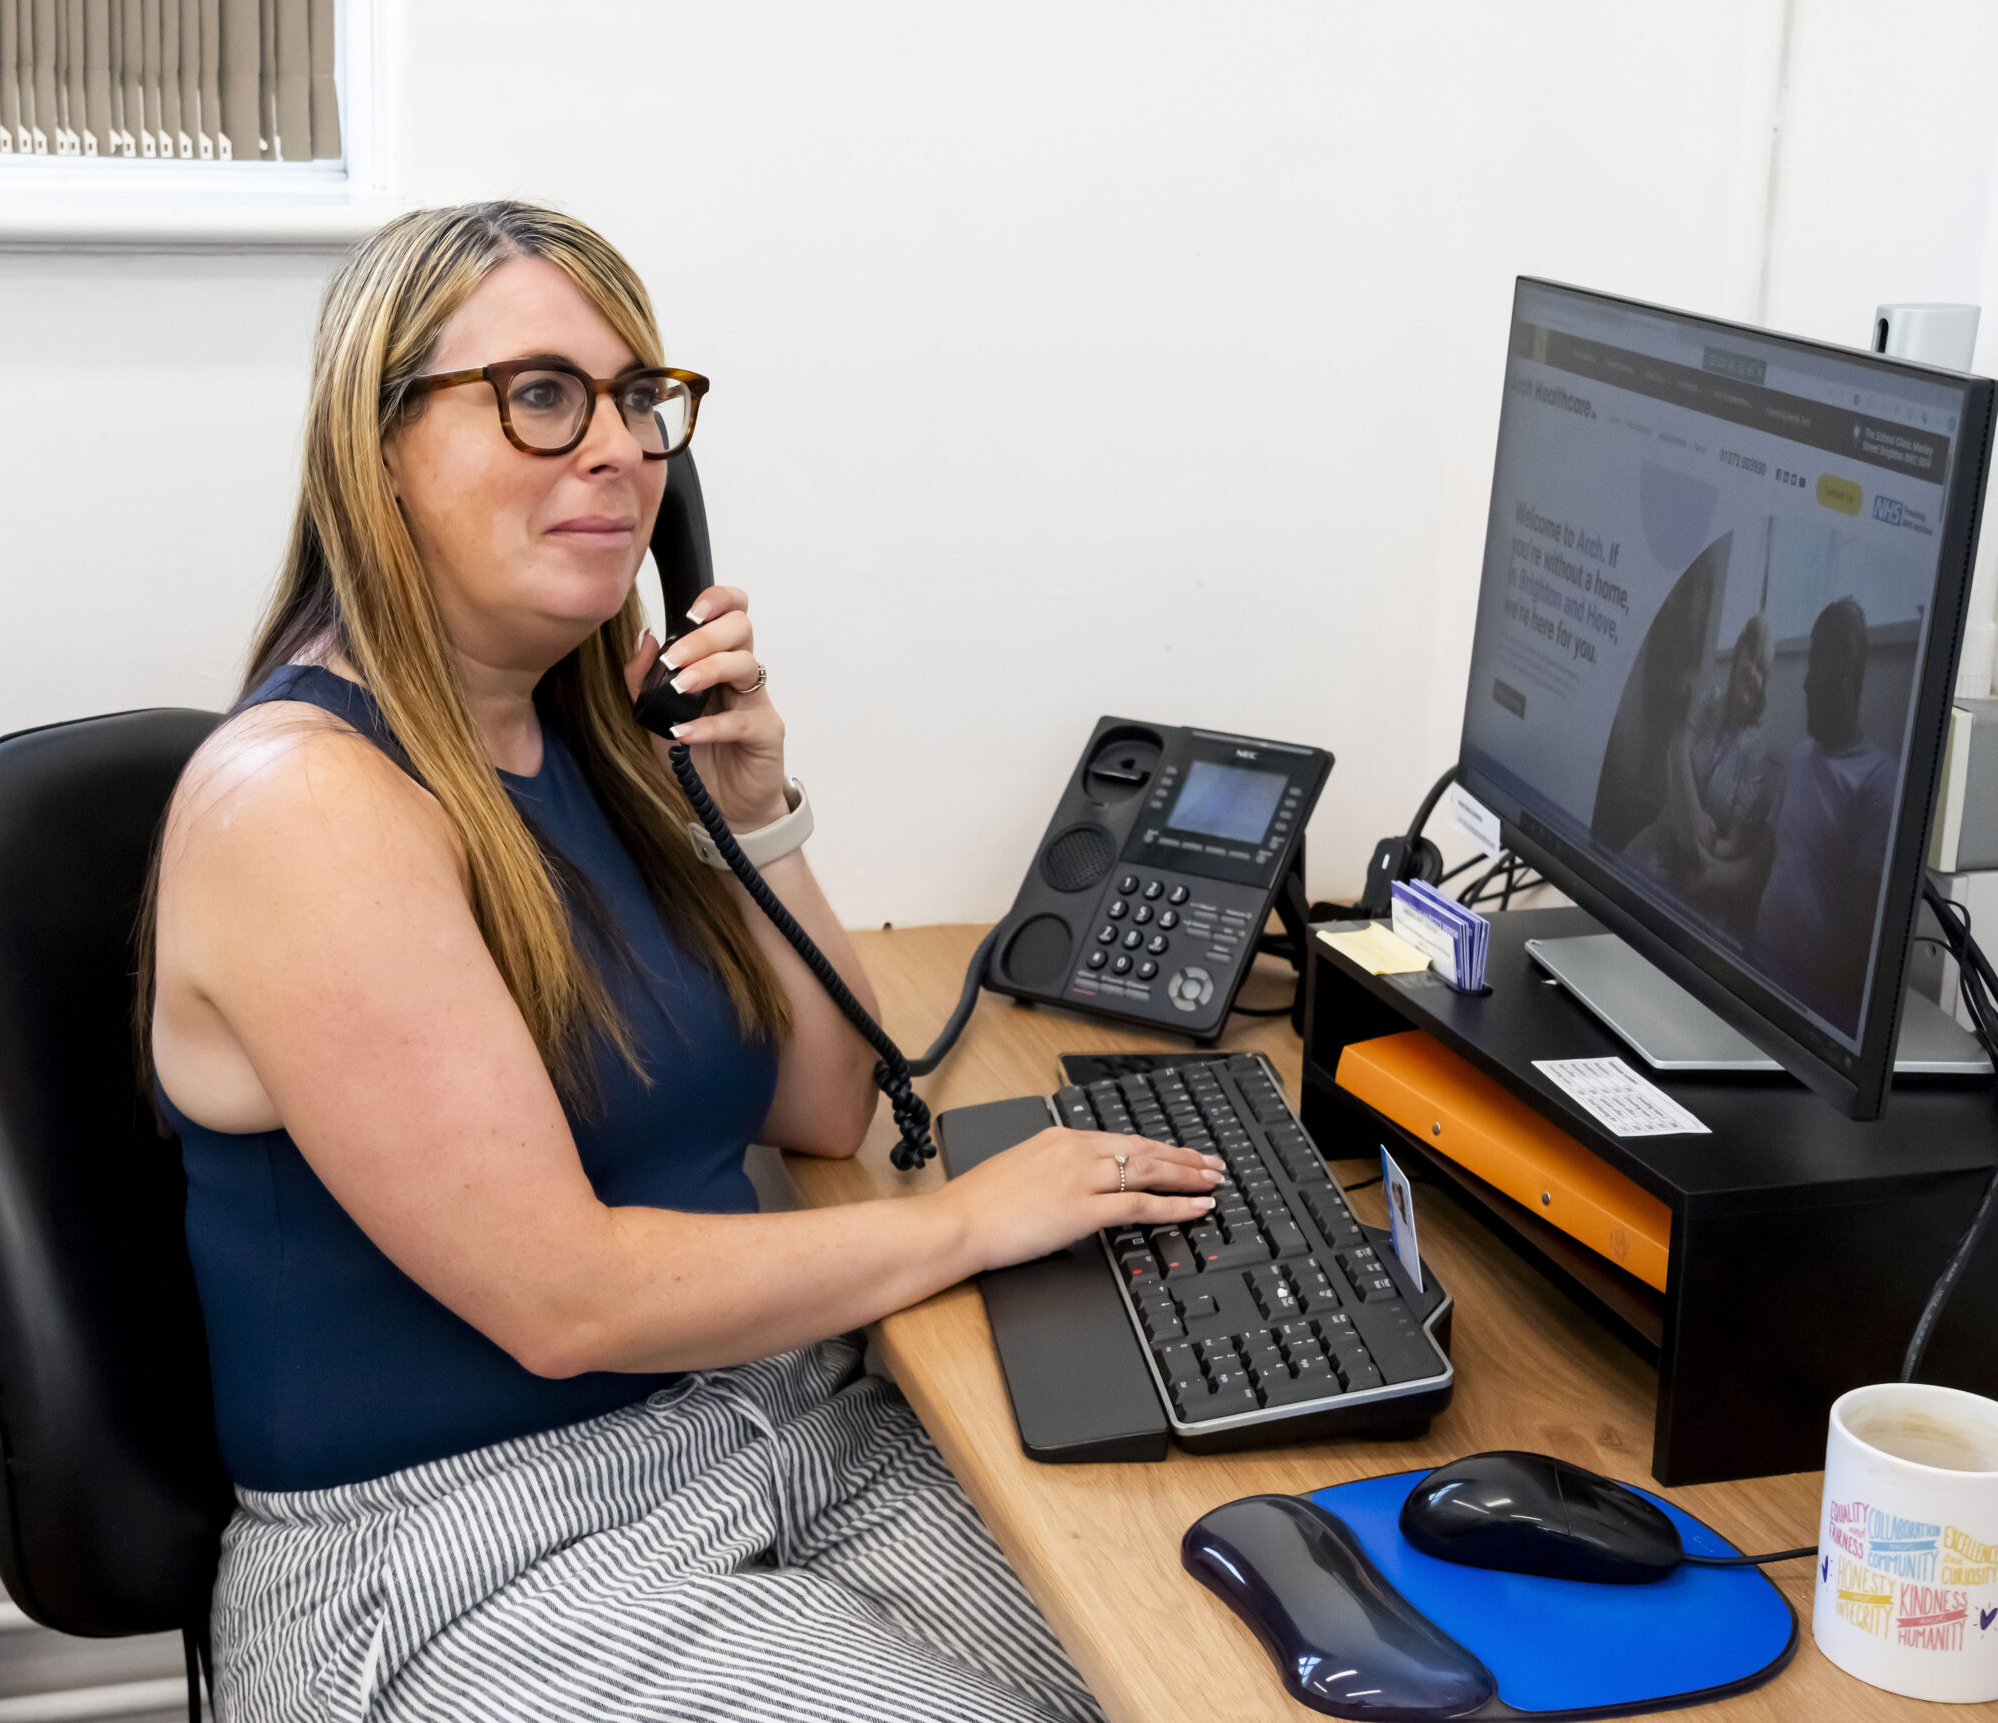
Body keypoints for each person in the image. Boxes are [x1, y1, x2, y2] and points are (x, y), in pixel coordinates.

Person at [144, 201, 1219, 1723]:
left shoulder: (591, 723)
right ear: (376, 444)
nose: (618, 450)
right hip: (470, 1548)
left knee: (1181, 1663)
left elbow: (826, 1101)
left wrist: (751, 812)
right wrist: (978, 1216)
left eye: (641, 400)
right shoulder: (312, 806)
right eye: (537, 394)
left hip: (771, 1424)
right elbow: (564, 1298)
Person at [1749, 597, 1900, 1033]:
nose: (1806, 682)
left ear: (1848, 662)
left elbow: (1855, 953)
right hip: (1753, 971)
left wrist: (1790, 1019)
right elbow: (1754, 870)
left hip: (1798, 1008)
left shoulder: (1879, 783)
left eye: (1818, 660)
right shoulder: (1798, 758)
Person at [1622, 611, 1780, 941]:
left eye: (1762, 670)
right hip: (1664, 832)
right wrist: (1693, 813)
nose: (1752, 672)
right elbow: (1677, 750)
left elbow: (1736, 843)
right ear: (1738, 655)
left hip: (1702, 864)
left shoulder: (1757, 750)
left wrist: (1701, 850)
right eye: (1750, 658)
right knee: (1617, 896)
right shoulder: (1710, 702)